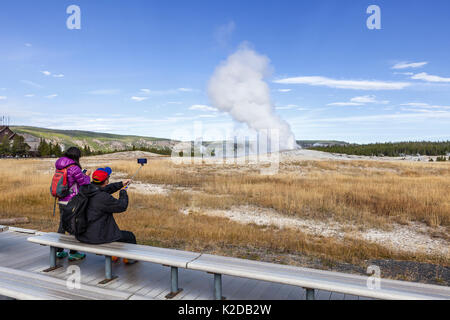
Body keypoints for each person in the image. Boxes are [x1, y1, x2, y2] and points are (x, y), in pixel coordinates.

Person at [77, 168, 137, 264]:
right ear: (106, 181)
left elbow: (105, 188)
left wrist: (121, 183)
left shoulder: (86, 189)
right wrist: (123, 192)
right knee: (129, 236)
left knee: (118, 234)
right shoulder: (102, 197)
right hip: (96, 236)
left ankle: (115, 255)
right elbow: (121, 206)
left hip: (82, 233)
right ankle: (129, 259)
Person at [54, 147, 90, 261]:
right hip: (72, 201)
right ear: (76, 156)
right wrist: (87, 175)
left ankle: (58, 251)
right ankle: (73, 253)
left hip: (61, 199)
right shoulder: (74, 167)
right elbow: (83, 183)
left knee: (62, 224)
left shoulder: (60, 166)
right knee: (73, 225)